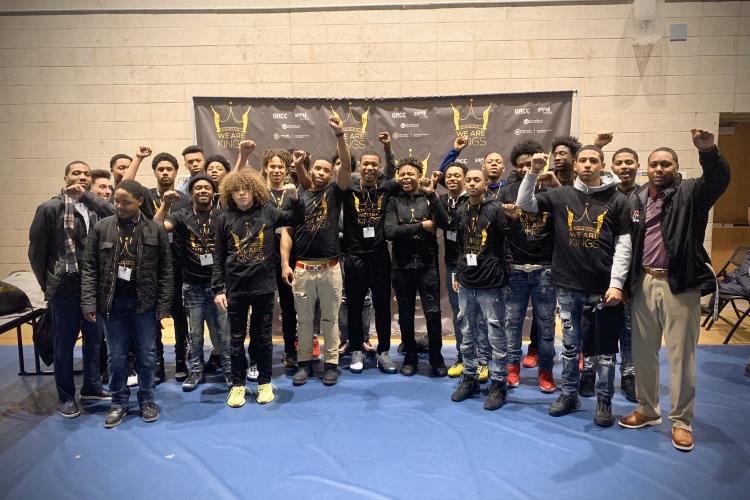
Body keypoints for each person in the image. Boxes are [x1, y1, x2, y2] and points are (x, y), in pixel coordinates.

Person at [619, 129, 730, 452]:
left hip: (679, 283)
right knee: (643, 354)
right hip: (644, 283)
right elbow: (629, 246)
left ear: (676, 167)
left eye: (665, 164)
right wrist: (627, 285)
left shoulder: (693, 193)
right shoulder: (637, 197)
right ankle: (648, 409)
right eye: (654, 164)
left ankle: (681, 421)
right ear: (647, 168)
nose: (659, 169)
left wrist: (709, 151)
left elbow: (719, 179)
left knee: (682, 358)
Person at [516, 146, 632, 427]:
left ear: (602, 164)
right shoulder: (560, 195)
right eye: (583, 160)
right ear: (576, 165)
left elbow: (624, 244)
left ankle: (604, 399)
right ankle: (570, 394)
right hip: (568, 285)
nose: (588, 164)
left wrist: (617, 284)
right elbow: (525, 204)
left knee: (605, 351)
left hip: (604, 287)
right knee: (569, 347)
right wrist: (532, 171)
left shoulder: (618, 200)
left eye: (594, 160)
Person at [81, 179, 173, 428]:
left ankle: (147, 400)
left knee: (146, 356)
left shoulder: (155, 229)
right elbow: (90, 268)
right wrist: (89, 302)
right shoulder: (102, 228)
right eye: (116, 201)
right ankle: (118, 403)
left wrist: (164, 304)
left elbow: (166, 269)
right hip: (112, 305)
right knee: (116, 357)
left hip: (144, 305)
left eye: (126, 202)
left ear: (140, 201)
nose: (119, 206)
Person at [28, 160, 114, 418]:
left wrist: (89, 197)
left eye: (87, 174)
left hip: (94, 287)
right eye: (76, 173)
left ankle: (91, 386)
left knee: (94, 339)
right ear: (65, 177)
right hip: (64, 288)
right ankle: (65, 396)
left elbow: (115, 217)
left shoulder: (96, 208)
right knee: (64, 344)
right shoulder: (49, 208)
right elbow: (36, 252)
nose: (82, 177)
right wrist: (48, 284)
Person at [213, 169, 304, 407]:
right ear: (229, 193)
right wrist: (218, 289)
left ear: (255, 190)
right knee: (235, 340)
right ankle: (238, 386)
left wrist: (295, 198)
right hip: (235, 288)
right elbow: (219, 255)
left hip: (263, 286)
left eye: (246, 189)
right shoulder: (223, 218)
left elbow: (296, 219)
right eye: (236, 190)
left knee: (262, 338)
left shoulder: (269, 212)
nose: (242, 194)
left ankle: (264, 382)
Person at [280, 115, 351, 387]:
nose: (321, 173)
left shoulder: (335, 192)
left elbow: (344, 165)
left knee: (331, 319)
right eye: (316, 169)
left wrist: (340, 136)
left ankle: (331, 364)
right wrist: (286, 264)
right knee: (304, 320)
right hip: (303, 268)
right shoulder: (298, 194)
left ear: (331, 174)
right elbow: (287, 231)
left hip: (330, 266)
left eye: (325, 170)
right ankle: (304, 363)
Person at [156, 174, 232, 391]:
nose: (202, 191)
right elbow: (156, 228)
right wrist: (165, 204)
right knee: (195, 333)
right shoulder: (180, 215)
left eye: (207, 187)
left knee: (224, 331)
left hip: (219, 285)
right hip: (192, 285)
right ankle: (196, 370)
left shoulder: (222, 216)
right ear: (191, 192)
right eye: (198, 188)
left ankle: (229, 370)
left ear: (213, 192)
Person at [450, 168, 511, 410]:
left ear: (486, 184)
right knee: (466, 333)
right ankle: (470, 378)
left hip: (491, 282)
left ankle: (498, 384)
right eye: (469, 180)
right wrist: (457, 272)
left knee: (495, 335)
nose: (472, 183)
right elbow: (459, 244)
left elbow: (509, 241)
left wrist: (504, 272)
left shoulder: (496, 209)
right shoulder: (461, 209)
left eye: (477, 180)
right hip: (467, 280)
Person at [501, 139, 557, 394]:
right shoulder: (508, 190)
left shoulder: (551, 189)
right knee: (512, 323)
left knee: (546, 325)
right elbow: (499, 230)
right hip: (516, 269)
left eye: (532, 164)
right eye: (523, 165)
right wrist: (511, 221)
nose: (527, 168)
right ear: (516, 166)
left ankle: (546, 370)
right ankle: (512, 367)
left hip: (545, 267)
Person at [384, 158, 450, 377]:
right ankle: (410, 356)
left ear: (419, 175)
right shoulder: (393, 201)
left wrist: (432, 194)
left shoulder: (430, 198)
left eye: (410, 174)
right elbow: (390, 232)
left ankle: (436, 357)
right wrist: (421, 225)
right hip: (401, 265)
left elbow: (444, 222)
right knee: (405, 314)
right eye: (401, 174)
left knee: (433, 312)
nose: (405, 178)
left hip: (427, 263)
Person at [340, 148, 400, 374]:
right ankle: (356, 348)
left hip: (380, 256)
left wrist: (388, 147)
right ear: (359, 167)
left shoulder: (387, 187)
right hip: (354, 257)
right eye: (366, 164)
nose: (370, 168)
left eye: (374, 164)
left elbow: (405, 177)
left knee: (383, 305)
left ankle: (383, 352)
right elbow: (342, 169)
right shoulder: (348, 188)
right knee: (354, 306)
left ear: (379, 168)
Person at [608, 147, 641, 403]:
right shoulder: (606, 195)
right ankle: (594, 373)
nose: (624, 167)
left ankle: (629, 374)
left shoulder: (646, 196)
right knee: (600, 328)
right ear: (612, 167)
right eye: (619, 163)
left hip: (635, 275)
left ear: (637, 165)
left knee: (629, 329)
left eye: (629, 162)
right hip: (605, 273)